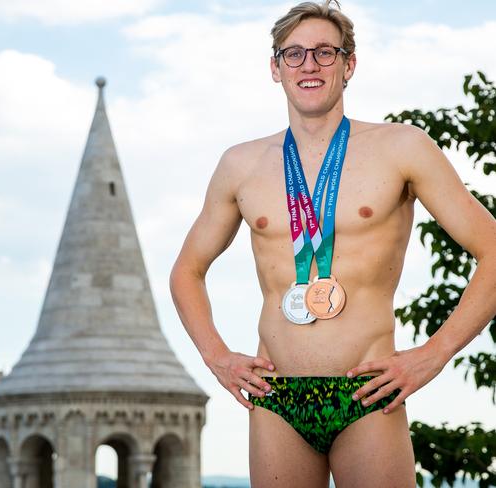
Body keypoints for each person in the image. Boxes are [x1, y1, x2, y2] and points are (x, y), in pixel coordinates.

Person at [168, 1, 496, 486]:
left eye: (325, 52)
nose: (310, 65)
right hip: (276, 397)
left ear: (350, 65)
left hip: (365, 391)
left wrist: (432, 354)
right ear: (275, 68)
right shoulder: (240, 164)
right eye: (294, 54)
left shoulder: (402, 147)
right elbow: (186, 271)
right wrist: (218, 357)